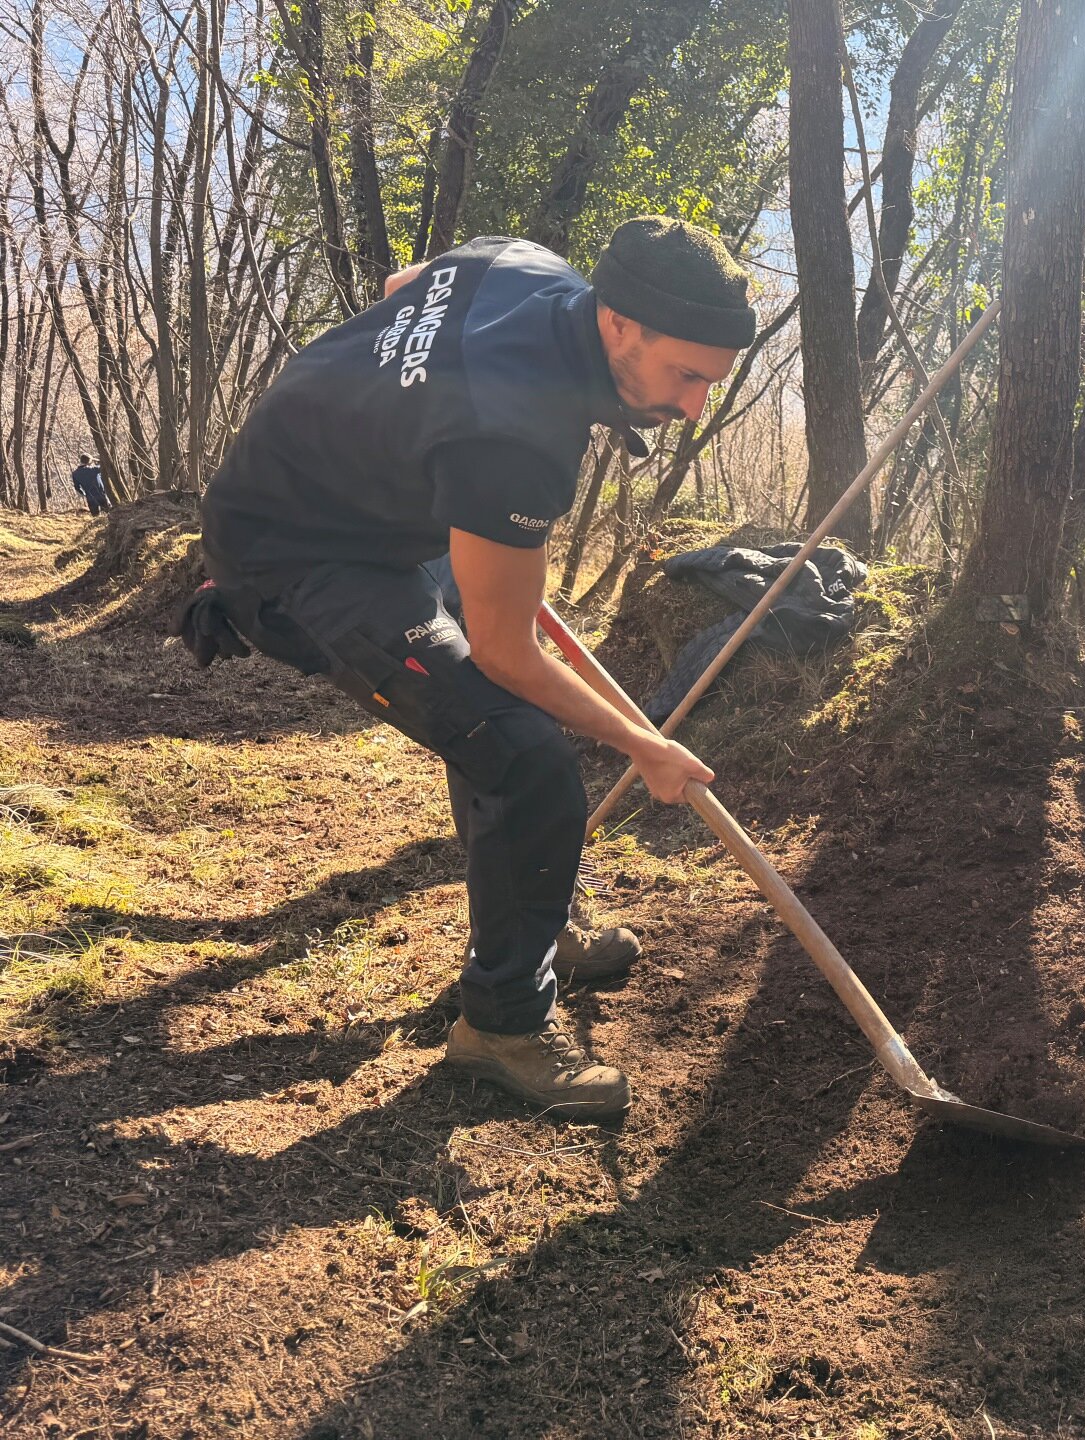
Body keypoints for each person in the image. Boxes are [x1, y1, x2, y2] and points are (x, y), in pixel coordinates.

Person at [177, 219, 756, 1119]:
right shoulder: (516, 438)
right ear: (617, 325)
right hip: (294, 557)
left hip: (367, 514)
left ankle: (539, 930)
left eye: (710, 385)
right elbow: (506, 654)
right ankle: (504, 1027)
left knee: (490, 725)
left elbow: (405, 288)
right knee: (520, 750)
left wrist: (408, 441)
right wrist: (645, 744)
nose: (692, 409)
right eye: (686, 376)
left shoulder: (521, 265)